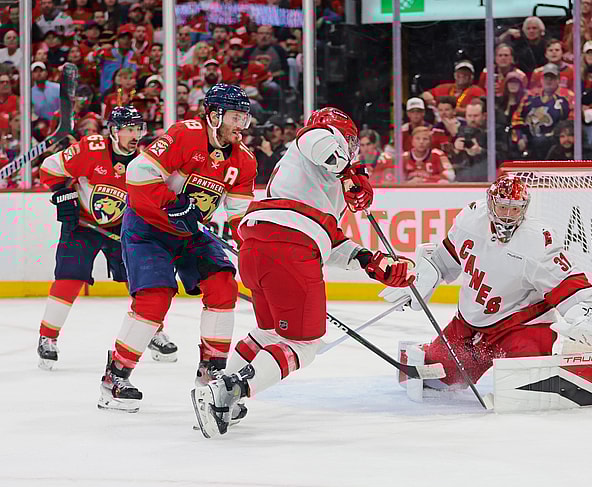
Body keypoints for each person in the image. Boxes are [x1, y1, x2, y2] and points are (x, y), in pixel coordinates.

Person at [190, 107, 415, 438]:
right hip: (290, 250)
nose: (350, 146)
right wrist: (351, 170)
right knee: (305, 344)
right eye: (349, 140)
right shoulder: (317, 142)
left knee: (270, 334)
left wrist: (370, 261)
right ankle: (230, 390)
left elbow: (329, 239)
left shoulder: (314, 177)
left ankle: (213, 387)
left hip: (260, 247)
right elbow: (316, 138)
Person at [379, 173, 592, 390]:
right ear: (490, 204)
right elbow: (449, 256)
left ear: (524, 209)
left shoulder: (536, 241)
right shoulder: (469, 220)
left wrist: (585, 313)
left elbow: (566, 284)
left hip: (520, 327)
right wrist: (421, 278)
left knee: (525, 386)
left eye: (515, 209)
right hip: (469, 324)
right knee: (435, 383)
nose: (508, 216)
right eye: (503, 207)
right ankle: (429, 350)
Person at [97, 84, 257, 413]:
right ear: (214, 116)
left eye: (245, 117)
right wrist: (173, 205)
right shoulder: (186, 134)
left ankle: (211, 369)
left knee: (223, 283)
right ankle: (115, 378)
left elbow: (239, 216)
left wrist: (253, 248)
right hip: (148, 227)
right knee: (154, 298)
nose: (241, 124)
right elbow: (138, 172)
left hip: (190, 231)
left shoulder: (245, 161)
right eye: (235, 116)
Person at [37, 107, 178, 369]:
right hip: (81, 224)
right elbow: (49, 168)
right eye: (130, 129)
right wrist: (62, 192)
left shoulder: (145, 162)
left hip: (122, 228)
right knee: (70, 278)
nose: (136, 135)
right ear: (114, 130)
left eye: (139, 129)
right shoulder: (90, 149)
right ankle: (48, 338)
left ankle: (153, 332)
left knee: (144, 280)